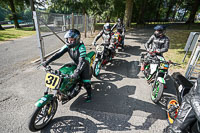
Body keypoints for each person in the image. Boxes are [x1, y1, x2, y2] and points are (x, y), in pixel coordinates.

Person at [42, 29, 92, 102]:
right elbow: (58, 54)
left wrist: (77, 72)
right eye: (68, 39)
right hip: (75, 62)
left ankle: (89, 95)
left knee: (86, 82)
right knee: (63, 72)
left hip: (84, 64)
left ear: (77, 39)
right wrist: (47, 61)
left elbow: (81, 61)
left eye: (72, 40)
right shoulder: (67, 46)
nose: (69, 41)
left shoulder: (81, 47)